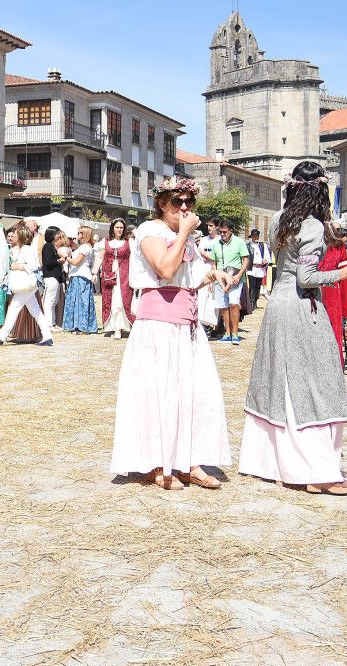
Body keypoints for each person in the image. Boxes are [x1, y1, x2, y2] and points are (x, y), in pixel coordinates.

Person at [239, 162, 347, 495]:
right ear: (319, 192)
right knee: (312, 384)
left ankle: (278, 463)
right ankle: (314, 469)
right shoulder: (312, 227)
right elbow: (307, 278)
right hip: (301, 307)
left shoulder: (276, 221)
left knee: (281, 380)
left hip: (277, 306)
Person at [110, 178, 232, 489]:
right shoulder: (151, 232)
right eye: (177, 201)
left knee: (192, 392)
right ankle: (157, 462)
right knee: (160, 393)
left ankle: (190, 460)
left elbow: (184, 280)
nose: (184, 207)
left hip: (186, 324)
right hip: (158, 325)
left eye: (189, 201)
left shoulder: (184, 238)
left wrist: (212, 274)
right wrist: (186, 234)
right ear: (162, 203)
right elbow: (164, 270)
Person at [0, 225, 54, 347]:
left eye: (16, 234)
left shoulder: (26, 249)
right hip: (27, 286)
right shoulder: (23, 249)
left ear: (21, 237)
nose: (14, 236)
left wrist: (20, 266)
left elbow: (34, 265)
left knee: (14, 309)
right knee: (36, 311)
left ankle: (1, 336)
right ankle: (47, 336)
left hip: (25, 285)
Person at [320, 225, 347, 363]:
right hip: (330, 294)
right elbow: (346, 280)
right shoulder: (338, 247)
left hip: (323, 294)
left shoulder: (338, 247)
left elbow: (346, 279)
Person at [210, 219, 250, 345]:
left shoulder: (239, 242)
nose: (222, 234)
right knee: (224, 306)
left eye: (224, 232)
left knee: (233, 304)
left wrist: (239, 275)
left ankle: (235, 333)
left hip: (235, 278)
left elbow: (245, 260)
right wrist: (213, 280)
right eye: (220, 232)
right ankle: (227, 333)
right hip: (220, 279)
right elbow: (214, 263)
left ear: (231, 231)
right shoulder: (216, 244)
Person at [99, 218, 134, 339]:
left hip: (124, 276)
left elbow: (134, 259)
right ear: (113, 229)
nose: (119, 229)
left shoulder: (129, 242)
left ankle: (120, 327)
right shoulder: (105, 241)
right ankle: (114, 327)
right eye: (117, 227)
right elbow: (100, 257)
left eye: (121, 227)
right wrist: (94, 272)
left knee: (121, 300)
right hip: (109, 275)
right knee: (111, 300)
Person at [62, 226, 98, 333]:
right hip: (82, 275)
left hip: (80, 276)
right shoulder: (87, 247)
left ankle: (80, 325)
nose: (77, 235)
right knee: (83, 300)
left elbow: (76, 262)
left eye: (79, 233)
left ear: (84, 235)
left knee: (79, 301)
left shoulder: (84, 248)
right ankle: (82, 324)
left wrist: (65, 257)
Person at [41, 226, 66, 329]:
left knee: (54, 301)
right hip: (50, 276)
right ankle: (48, 324)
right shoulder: (47, 246)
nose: (57, 236)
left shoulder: (51, 246)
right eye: (56, 234)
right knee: (49, 302)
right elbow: (47, 263)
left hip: (55, 277)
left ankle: (53, 322)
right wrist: (58, 261)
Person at [245, 227, 271, 307]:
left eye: (257, 236)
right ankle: (251, 302)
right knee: (252, 286)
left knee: (257, 286)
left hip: (260, 268)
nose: (256, 237)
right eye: (254, 236)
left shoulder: (263, 246)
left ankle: (255, 301)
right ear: (251, 236)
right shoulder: (248, 246)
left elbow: (267, 256)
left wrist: (265, 260)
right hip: (251, 269)